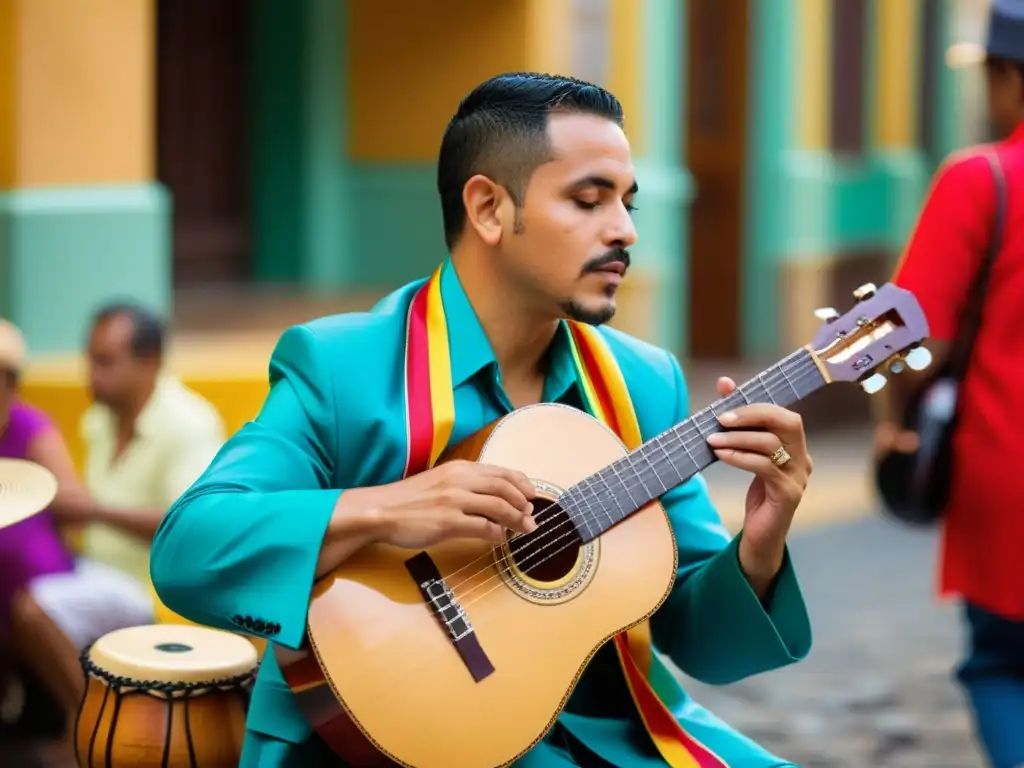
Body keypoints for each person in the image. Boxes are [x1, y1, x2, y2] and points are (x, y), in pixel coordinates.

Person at [151, 72, 815, 767]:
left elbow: (701, 641)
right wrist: (380, 511)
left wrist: (761, 542)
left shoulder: (642, 384)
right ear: (489, 208)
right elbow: (188, 549)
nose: (623, 230)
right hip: (376, 740)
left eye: (626, 203)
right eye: (589, 200)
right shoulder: (343, 367)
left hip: (606, 737)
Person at [875, 4, 1024, 767]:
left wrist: (897, 423)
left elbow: (910, 335)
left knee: (1002, 662)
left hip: (1008, 475)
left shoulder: (983, 179)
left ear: (1006, 77)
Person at [0, 318, 153, 766]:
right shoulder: (95, 423)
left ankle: (93, 727)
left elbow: (71, 502)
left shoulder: (31, 426)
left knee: (29, 607)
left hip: (45, 576)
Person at [78, 302, 225, 622]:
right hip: (95, 576)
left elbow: (192, 527)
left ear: (151, 362)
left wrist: (92, 510)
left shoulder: (189, 422)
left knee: (32, 608)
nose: (92, 374)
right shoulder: (99, 417)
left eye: (105, 362)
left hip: (158, 591)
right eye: (90, 359)